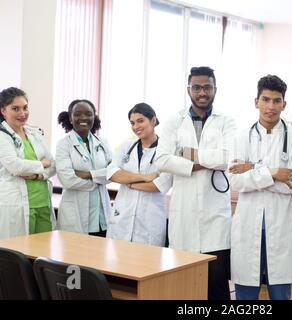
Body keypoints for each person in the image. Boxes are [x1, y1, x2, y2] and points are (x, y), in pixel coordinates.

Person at [154, 66, 236, 300]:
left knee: (217, 284)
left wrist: (188, 155)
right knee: (184, 286)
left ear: (215, 89)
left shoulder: (226, 121)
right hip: (184, 215)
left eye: (207, 87)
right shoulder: (174, 121)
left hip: (215, 217)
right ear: (188, 89)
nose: (202, 92)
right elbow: (161, 160)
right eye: (197, 87)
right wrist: (200, 163)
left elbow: (228, 156)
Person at [228, 75, 292, 300]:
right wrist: (274, 173)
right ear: (256, 102)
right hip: (247, 225)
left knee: (280, 295)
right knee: (245, 295)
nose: (270, 107)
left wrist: (252, 170)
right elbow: (235, 182)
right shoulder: (241, 137)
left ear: (284, 104)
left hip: (282, 227)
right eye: (265, 100)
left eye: (276, 101)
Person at [106, 103, 172, 246]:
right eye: (132, 123)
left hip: (149, 222)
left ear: (153, 121)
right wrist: (144, 177)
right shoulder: (126, 147)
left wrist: (128, 182)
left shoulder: (166, 151)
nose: (136, 126)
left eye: (140, 121)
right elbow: (112, 174)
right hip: (122, 219)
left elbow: (159, 185)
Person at [0, 87, 56, 239]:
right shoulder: (2, 136)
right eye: (15, 109)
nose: (22, 113)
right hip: (17, 204)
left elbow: (53, 164)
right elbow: (15, 166)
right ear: (3, 110)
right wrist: (41, 165)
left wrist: (38, 176)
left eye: (25, 108)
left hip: (43, 202)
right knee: (21, 254)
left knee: (44, 254)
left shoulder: (33, 133)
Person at [55, 99, 113, 237]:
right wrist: (99, 180)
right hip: (75, 215)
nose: (83, 118)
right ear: (70, 118)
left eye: (88, 114)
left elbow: (114, 172)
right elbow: (67, 180)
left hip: (102, 218)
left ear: (94, 117)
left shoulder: (102, 142)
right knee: (73, 257)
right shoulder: (63, 144)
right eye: (77, 114)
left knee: (101, 256)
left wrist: (88, 174)